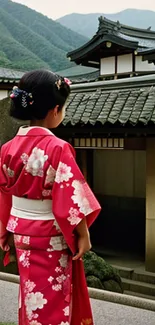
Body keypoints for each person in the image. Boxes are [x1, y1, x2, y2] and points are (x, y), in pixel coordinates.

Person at [0, 70, 101, 325]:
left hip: (22, 235)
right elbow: (70, 198)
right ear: (55, 110)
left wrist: (4, 230)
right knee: (53, 302)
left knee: (31, 295)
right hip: (51, 237)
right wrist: (84, 235)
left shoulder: (7, 148)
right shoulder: (58, 148)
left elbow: (3, 194)